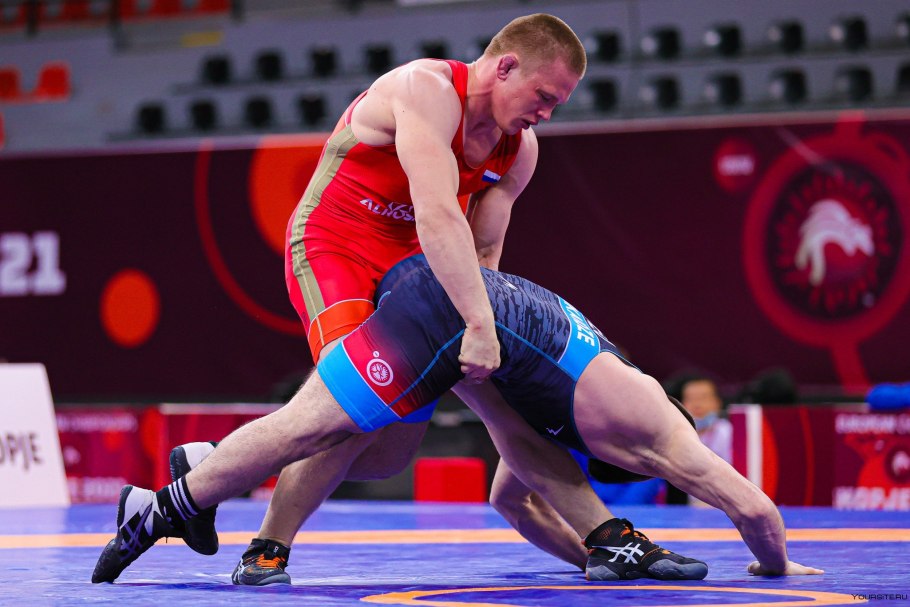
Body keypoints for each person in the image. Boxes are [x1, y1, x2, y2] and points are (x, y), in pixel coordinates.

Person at [92, 255, 823, 584]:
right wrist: (776, 566)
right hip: (444, 310)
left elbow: (513, 501)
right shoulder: (655, 428)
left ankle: (207, 467)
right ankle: (164, 507)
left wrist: (591, 561)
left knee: (379, 454)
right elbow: (755, 508)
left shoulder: (559, 419)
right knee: (316, 426)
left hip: (460, 324)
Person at [210, 12, 587, 585]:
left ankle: (214, 463)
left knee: (389, 454)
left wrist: (478, 317)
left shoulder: (519, 150)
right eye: (543, 96)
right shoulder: (425, 88)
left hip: (410, 263)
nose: (546, 114)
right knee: (351, 406)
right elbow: (437, 213)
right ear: (506, 66)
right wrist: (476, 324)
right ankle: (266, 548)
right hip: (335, 245)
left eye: (557, 104)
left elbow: (484, 252)